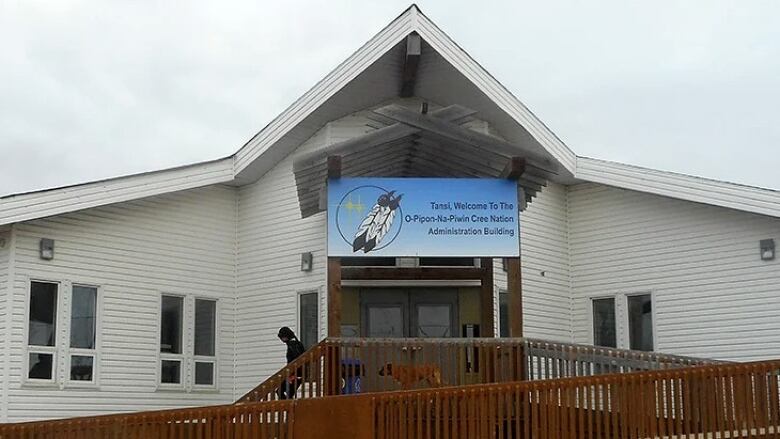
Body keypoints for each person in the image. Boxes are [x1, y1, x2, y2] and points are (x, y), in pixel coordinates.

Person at [277, 326, 306, 399]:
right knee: (285, 392)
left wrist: (293, 374)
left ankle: (288, 407)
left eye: (282, 337)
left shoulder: (293, 344)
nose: (282, 340)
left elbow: (297, 358)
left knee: (281, 391)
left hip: (296, 373)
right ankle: (288, 407)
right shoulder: (294, 343)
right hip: (294, 372)